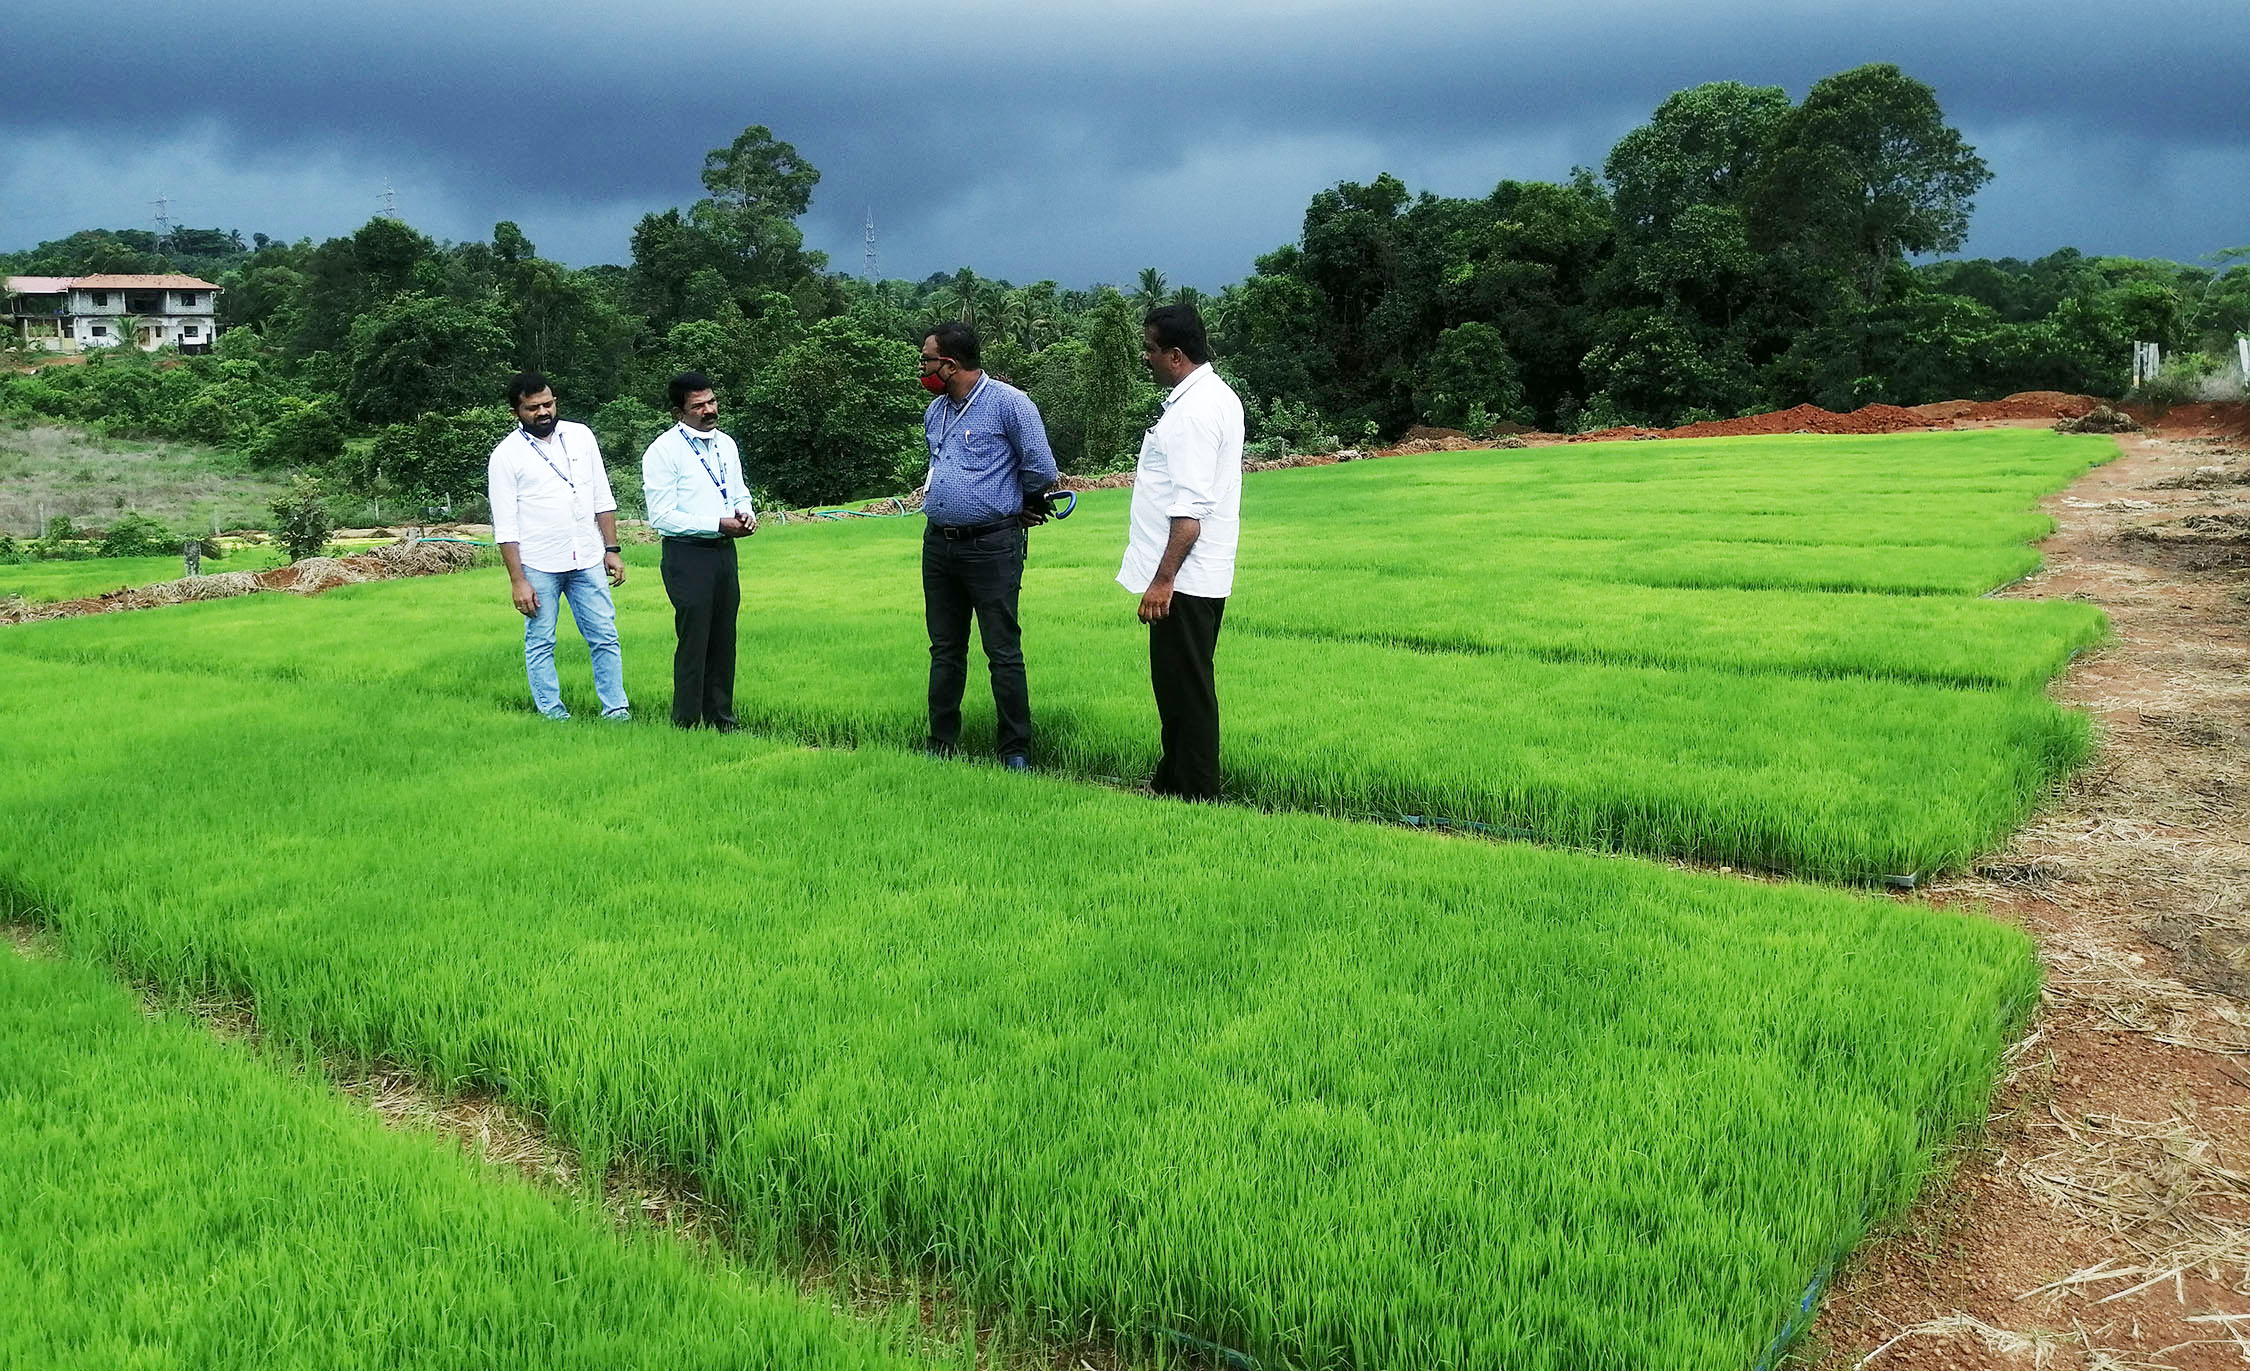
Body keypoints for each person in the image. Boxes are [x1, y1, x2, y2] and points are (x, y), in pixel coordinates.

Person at [917, 321, 1060, 769]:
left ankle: (1014, 750)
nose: (921, 367)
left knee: (1001, 649)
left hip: (991, 546)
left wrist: (1023, 503)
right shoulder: (935, 410)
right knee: (944, 649)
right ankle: (941, 743)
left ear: (951, 364)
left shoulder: (1009, 405)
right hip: (939, 545)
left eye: (927, 360)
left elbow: (1040, 467)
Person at [1117, 303, 1243, 800]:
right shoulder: (1209, 397)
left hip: (1185, 580)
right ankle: (1172, 784)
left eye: (1149, 349)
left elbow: (1188, 517)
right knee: (1177, 688)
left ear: (1174, 354)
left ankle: (1195, 794)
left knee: (1185, 692)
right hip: (1193, 576)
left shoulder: (1194, 412)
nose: (1145, 358)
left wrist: (1162, 580)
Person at [487, 371, 629, 721]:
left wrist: (611, 549)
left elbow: (602, 495)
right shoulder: (506, 456)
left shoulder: (581, 436)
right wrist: (518, 580)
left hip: (588, 557)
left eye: (548, 404)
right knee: (541, 642)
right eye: (533, 408)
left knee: (605, 638)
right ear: (516, 412)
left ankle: (616, 710)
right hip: (539, 564)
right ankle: (553, 715)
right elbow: (505, 525)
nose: (543, 412)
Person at [641, 371, 755, 731]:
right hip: (687, 555)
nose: (708, 410)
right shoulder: (663, 452)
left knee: (724, 637)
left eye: (711, 401)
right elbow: (662, 516)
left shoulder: (727, 444)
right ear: (679, 411)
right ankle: (686, 723)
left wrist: (745, 512)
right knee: (695, 640)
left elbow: (738, 491)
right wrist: (717, 523)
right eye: (698, 406)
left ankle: (721, 718)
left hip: (724, 552)